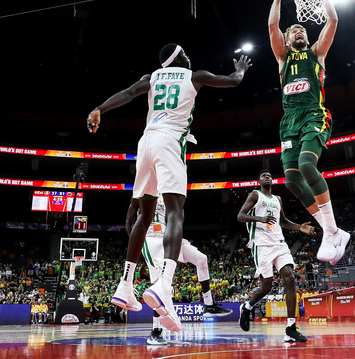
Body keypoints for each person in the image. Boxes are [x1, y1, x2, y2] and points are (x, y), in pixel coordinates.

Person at [87, 43, 251, 332]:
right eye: (187, 54)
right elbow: (232, 82)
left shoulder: (151, 77)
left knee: (144, 214)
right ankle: (163, 285)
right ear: (180, 58)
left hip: (146, 142)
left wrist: (99, 108)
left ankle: (125, 285)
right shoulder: (194, 75)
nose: (191, 57)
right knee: (176, 212)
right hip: (169, 140)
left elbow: (127, 94)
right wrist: (239, 70)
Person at [268, 0, 349, 265]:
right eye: (293, 31)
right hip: (288, 121)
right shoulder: (283, 58)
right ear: (287, 40)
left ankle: (331, 231)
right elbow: (271, 25)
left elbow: (333, 21)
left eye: (302, 29)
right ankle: (333, 231)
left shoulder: (317, 53)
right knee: (291, 180)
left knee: (306, 165)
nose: (299, 31)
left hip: (314, 113)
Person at [126, 197, 232, 345]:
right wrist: (138, 245)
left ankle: (209, 305)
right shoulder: (142, 191)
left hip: (168, 237)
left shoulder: (167, 192)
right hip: (150, 240)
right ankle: (155, 332)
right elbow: (129, 222)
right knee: (159, 287)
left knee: (202, 259)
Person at [237, 169, 314, 342]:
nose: (267, 177)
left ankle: (290, 327)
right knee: (267, 287)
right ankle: (247, 307)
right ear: (259, 180)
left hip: (279, 243)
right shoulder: (255, 195)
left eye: (270, 176)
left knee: (290, 278)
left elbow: (283, 222)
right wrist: (260, 219)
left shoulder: (278, 199)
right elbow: (240, 216)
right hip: (262, 245)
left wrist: (299, 227)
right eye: (264, 175)